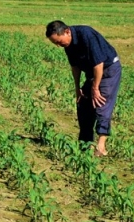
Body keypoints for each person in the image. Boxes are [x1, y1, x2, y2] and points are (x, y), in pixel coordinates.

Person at [45, 20, 122, 157]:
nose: (58, 46)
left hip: (107, 69)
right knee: (83, 104)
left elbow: (99, 65)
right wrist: (77, 88)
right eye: (55, 43)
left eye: (59, 42)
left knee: (101, 102)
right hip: (92, 72)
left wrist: (95, 88)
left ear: (67, 32)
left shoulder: (86, 35)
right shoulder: (68, 44)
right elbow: (75, 66)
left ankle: (101, 145)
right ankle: (85, 144)